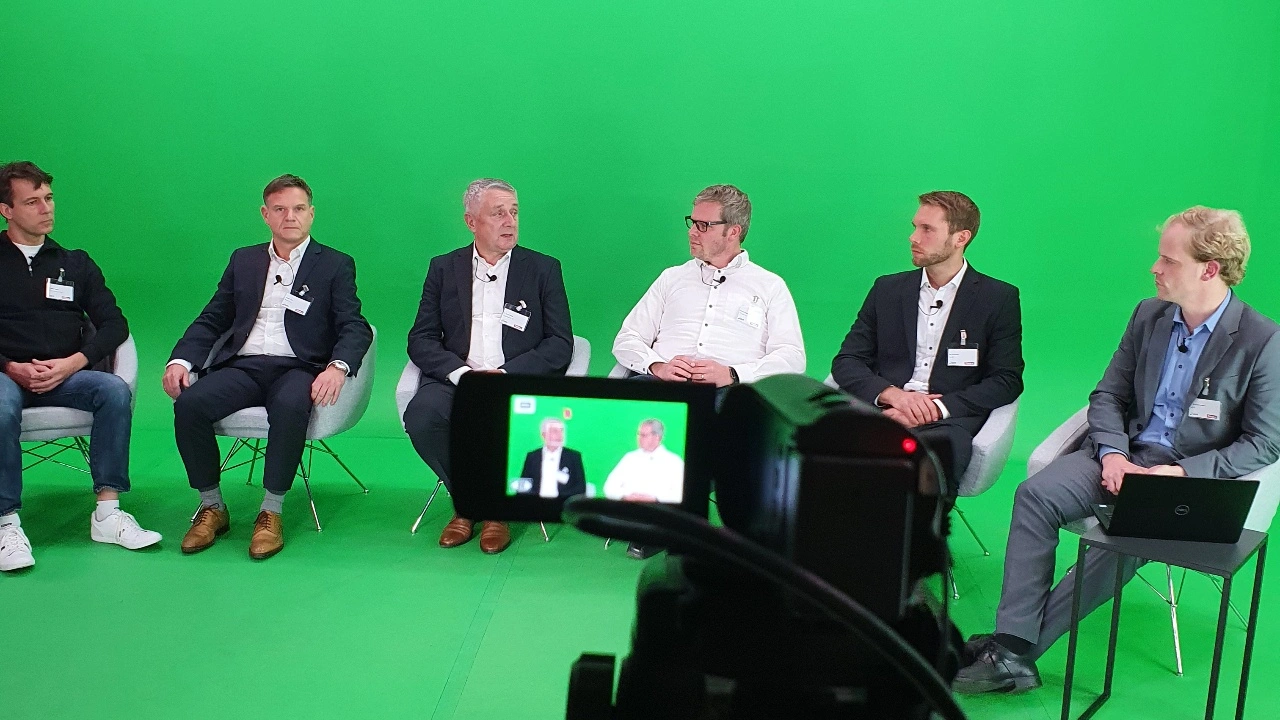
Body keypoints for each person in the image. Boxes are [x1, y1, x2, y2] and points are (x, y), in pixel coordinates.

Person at [955, 206, 1280, 694]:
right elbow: (1108, 395)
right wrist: (1112, 454)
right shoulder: (1149, 315)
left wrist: (1180, 475)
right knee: (1035, 495)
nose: (1155, 267)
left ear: (1209, 269)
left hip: (1185, 481)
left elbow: (1265, 441)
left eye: (1168, 260)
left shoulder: (1262, 340)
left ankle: (1016, 649)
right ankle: (1013, 643)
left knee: (1125, 535)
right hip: (1122, 456)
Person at [163, 174, 372, 561]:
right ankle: (212, 506)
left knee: (291, 405)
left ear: (311, 213)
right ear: (265, 214)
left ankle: (270, 512)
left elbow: (353, 325)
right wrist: (180, 360)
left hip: (299, 367)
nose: (290, 217)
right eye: (280, 209)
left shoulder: (335, 264)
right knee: (189, 404)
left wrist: (338, 367)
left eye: (298, 209)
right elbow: (213, 317)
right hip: (244, 366)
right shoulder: (244, 260)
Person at [0, 161, 161, 571]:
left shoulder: (75, 263)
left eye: (49, 198)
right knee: (1, 404)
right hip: (5, 377)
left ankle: (108, 514)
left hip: (66, 376)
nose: (46, 208)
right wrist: (11, 367)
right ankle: (6, 525)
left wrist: (74, 363)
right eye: (32, 201)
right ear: (6, 210)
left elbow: (114, 324)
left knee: (113, 391)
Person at [404, 178, 572, 554]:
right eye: (498, 213)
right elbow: (421, 338)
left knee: (495, 417)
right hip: (458, 379)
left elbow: (561, 343)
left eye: (514, 212)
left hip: (514, 379)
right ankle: (472, 499)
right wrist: (461, 374)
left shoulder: (543, 269)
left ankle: (489, 509)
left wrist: (505, 375)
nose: (509, 221)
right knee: (422, 416)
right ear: (471, 222)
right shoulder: (443, 268)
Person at [831, 191, 1023, 490]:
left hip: (946, 422)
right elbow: (847, 361)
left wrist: (936, 409)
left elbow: (1006, 380)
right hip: (881, 410)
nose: (913, 237)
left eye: (927, 229)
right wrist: (895, 397)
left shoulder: (997, 298)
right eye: (915, 227)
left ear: (961, 238)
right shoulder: (887, 290)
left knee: (934, 458)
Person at [612, 184, 805, 392]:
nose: (692, 232)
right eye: (692, 223)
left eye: (703, 225)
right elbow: (627, 339)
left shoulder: (770, 286)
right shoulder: (672, 278)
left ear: (733, 232)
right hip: (661, 385)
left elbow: (792, 357)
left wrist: (733, 374)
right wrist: (658, 366)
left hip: (731, 392)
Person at [603, 419, 684, 504]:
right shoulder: (630, 458)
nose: (639, 438)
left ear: (656, 437)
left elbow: (679, 494)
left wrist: (655, 498)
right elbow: (609, 487)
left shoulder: (674, 462)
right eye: (639, 434)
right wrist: (626, 496)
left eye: (643, 435)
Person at [516, 418, 586, 498]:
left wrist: (560, 498)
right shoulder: (532, 456)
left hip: (563, 502)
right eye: (555, 431)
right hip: (535, 502)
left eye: (561, 431)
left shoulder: (573, 457)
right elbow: (523, 485)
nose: (560, 435)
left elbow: (581, 487)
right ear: (544, 435)